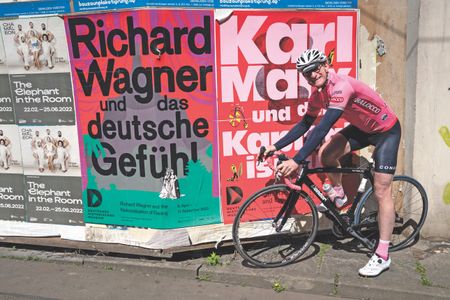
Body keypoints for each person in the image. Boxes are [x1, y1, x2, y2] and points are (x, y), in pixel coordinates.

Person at [263, 49, 401, 277]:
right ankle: (339, 194)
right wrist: (276, 146)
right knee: (327, 155)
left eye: (316, 68)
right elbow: (305, 124)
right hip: (361, 129)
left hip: (386, 131)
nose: (312, 74)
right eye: (306, 72)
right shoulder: (318, 94)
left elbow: (324, 126)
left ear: (326, 64)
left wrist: (297, 160)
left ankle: (383, 254)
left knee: (381, 190)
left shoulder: (341, 87)